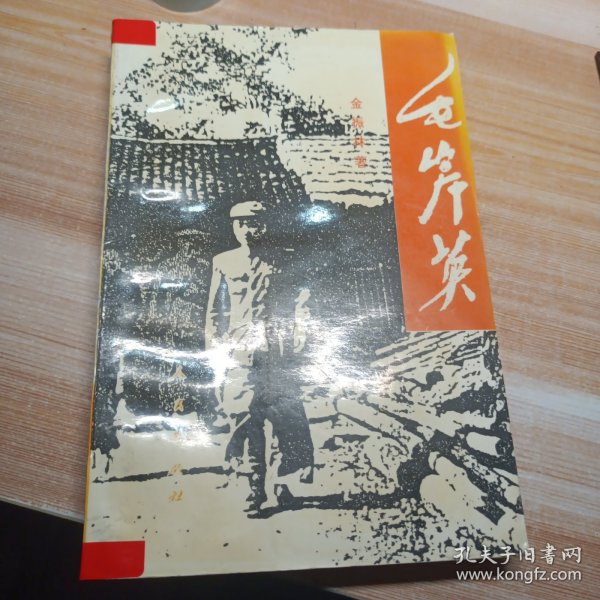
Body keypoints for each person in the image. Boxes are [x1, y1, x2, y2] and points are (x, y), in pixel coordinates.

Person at [205, 200, 314, 515]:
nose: (246, 229)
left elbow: (301, 305)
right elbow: (215, 312)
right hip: (240, 354)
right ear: (234, 227)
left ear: (264, 226)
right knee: (246, 420)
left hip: (277, 355)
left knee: (284, 419)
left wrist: (300, 343)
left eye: (252, 223)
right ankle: (254, 489)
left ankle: (282, 486)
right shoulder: (224, 262)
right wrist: (215, 351)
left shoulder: (283, 260)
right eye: (239, 223)